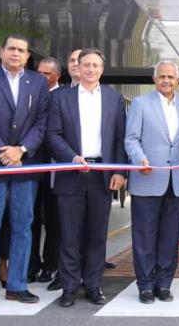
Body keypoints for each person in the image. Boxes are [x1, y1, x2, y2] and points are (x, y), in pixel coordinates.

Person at [0, 34, 49, 310]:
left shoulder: (37, 82)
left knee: (23, 227)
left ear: (28, 56)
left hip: (24, 165)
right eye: (11, 49)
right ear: (2, 52)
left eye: (22, 50)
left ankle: (17, 285)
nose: (16, 53)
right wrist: (3, 151)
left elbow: (42, 122)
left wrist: (21, 150)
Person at [46, 48, 126, 307]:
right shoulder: (61, 98)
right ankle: (69, 287)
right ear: (77, 68)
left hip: (102, 174)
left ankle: (93, 285)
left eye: (96, 65)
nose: (91, 69)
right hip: (71, 173)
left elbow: (119, 139)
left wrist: (119, 171)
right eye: (86, 65)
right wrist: (71, 156)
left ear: (102, 69)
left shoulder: (114, 99)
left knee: (96, 235)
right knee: (69, 235)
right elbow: (53, 135)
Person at [124, 60, 179, 304]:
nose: (166, 80)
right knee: (144, 235)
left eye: (171, 77)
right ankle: (145, 285)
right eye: (162, 76)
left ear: (178, 80)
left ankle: (164, 284)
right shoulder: (141, 104)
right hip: (147, 178)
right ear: (154, 79)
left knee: (170, 237)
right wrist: (140, 159)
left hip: (177, 181)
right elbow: (131, 139)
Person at [29, 57, 62, 285]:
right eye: (38, 72)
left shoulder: (64, 96)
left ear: (56, 76)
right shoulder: (30, 94)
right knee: (29, 219)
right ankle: (31, 265)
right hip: (31, 165)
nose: (40, 77)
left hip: (57, 167)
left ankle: (51, 265)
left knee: (54, 219)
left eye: (46, 74)